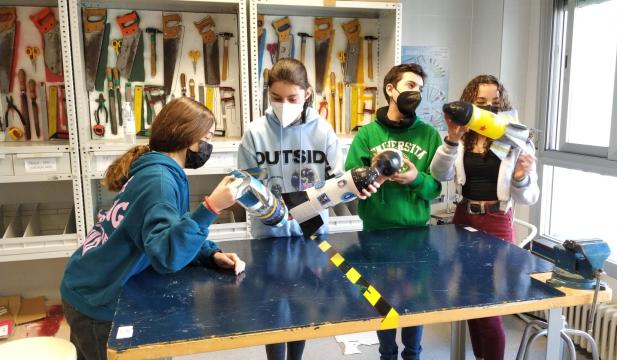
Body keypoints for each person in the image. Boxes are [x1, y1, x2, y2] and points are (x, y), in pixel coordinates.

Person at [60, 98, 244, 360]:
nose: (207, 146)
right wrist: (212, 207)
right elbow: (166, 255)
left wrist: (209, 255)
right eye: (208, 137)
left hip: (86, 284)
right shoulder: (160, 180)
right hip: (98, 299)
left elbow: (171, 226)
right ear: (189, 138)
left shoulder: (158, 169)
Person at [238, 58, 378, 360]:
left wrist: (355, 189)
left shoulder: (324, 131)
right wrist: (274, 212)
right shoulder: (254, 133)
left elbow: (337, 184)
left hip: (311, 232)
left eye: (292, 98)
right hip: (269, 232)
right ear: (267, 94)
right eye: (276, 98)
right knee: (272, 309)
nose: (284, 104)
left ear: (308, 93)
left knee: (303, 305)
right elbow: (247, 185)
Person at [430, 74, 539, 360]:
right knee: (469, 300)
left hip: (497, 220)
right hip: (465, 216)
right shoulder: (462, 137)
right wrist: (451, 141)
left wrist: (520, 178)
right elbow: (440, 175)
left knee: (490, 306)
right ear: (470, 104)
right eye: (481, 103)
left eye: (495, 102)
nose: (489, 108)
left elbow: (529, 196)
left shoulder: (516, 139)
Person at [344, 63, 442, 360]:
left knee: (416, 302)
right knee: (383, 303)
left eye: (420, 89)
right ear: (390, 89)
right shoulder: (367, 135)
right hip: (376, 235)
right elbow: (351, 180)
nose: (416, 94)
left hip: (416, 235)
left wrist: (416, 179)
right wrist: (373, 175)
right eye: (410, 86)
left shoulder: (429, 135)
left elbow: (436, 189)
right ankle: (387, 354)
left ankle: (413, 355)